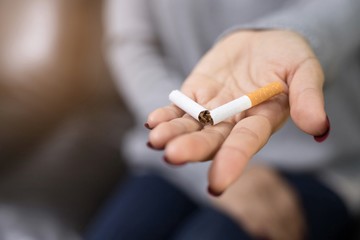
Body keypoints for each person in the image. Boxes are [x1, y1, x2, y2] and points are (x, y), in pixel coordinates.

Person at [87, 0, 360, 239]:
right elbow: (134, 45)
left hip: (316, 163)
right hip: (178, 155)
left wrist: (296, 36)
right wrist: (198, 165)